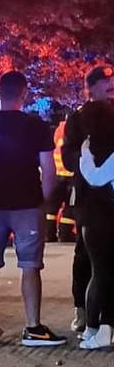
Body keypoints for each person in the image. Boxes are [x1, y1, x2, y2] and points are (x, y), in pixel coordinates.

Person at [0, 70, 65, 346]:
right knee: (30, 265)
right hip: (27, 205)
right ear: (24, 93)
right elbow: (49, 171)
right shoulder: (36, 127)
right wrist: (42, 200)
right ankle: (33, 327)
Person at [60, 66, 114, 334]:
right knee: (84, 254)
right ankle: (81, 310)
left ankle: (105, 319)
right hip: (88, 196)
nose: (110, 86)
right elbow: (68, 156)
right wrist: (88, 163)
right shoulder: (77, 119)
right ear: (90, 87)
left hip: (110, 195)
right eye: (105, 82)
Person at [73, 99, 114, 348]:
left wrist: (84, 155)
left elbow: (95, 177)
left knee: (99, 273)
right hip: (105, 217)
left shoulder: (91, 147)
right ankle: (100, 328)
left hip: (96, 219)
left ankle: (95, 328)